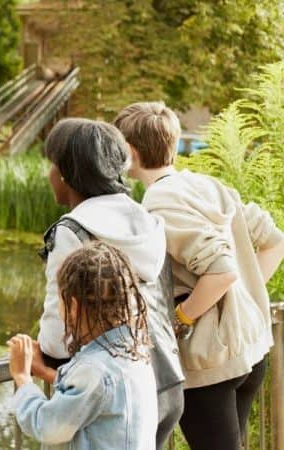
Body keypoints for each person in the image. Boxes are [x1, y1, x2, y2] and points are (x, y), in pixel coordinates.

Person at [114, 101, 284, 450]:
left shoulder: (159, 203)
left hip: (209, 362)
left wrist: (181, 318)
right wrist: (245, 300)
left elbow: (221, 272)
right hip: (249, 351)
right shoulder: (208, 185)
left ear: (130, 151)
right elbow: (274, 242)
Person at [36, 118, 183, 448]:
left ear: (68, 174)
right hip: (163, 381)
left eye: (53, 166)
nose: (49, 175)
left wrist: (37, 361)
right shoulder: (146, 221)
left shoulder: (72, 231)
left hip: (106, 392)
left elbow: (57, 335)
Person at [9, 241, 157, 449]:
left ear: (74, 306)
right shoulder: (134, 351)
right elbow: (97, 399)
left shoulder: (94, 370)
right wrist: (45, 372)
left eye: (59, 300)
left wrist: (23, 378)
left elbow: (48, 426)